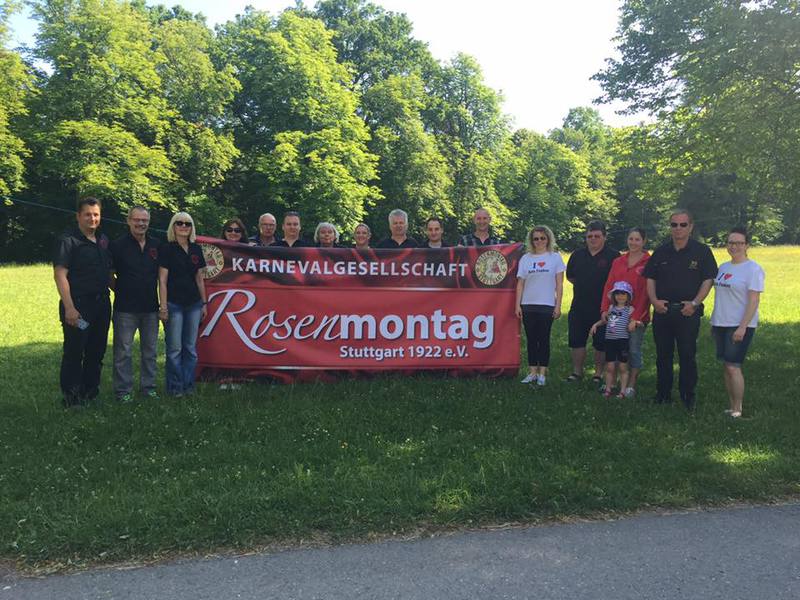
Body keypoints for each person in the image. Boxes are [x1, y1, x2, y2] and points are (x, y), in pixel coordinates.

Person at [644, 209, 717, 410]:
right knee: (663, 355)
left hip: (688, 312)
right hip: (663, 311)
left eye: (683, 224)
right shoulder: (661, 252)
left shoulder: (701, 251)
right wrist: (654, 301)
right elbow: (650, 278)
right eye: (674, 224)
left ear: (690, 227)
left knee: (687, 354)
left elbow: (708, 280)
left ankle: (687, 396)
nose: (678, 228)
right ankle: (663, 394)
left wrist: (694, 303)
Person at [53, 197, 113, 407]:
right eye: (87, 214)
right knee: (74, 351)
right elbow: (60, 275)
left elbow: (109, 274)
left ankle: (90, 393)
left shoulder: (103, 240)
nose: (92, 218)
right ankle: (72, 397)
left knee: (96, 351)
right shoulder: (68, 240)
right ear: (78, 216)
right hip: (79, 305)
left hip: (102, 304)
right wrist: (69, 308)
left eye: (96, 214)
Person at [710, 227, 764, 418]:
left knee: (733, 366)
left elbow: (754, 300)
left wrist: (742, 327)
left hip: (739, 325)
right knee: (726, 366)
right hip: (720, 323)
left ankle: (738, 409)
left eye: (739, 243)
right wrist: (714, 321)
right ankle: (731, 405)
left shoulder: (753, 269)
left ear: (747, 245)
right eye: (731, 242)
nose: (734, 246)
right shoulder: (723, 267)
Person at [109, 205, 160, 403]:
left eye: (144, 220)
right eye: (137, 220)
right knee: (123, 352)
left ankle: (149, 388)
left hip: (151, 308)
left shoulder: (156, 245)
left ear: (149, 222)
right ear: (128, 220)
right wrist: (122, 290)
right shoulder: (117, 245)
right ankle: (123, 391)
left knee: (150, 352)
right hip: (125, 308)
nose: (141, 223)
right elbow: (109, 275)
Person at [158, 212, 207, 397]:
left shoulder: (196, 249)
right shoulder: (166, 249)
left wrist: (204, 303)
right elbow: (162, 280)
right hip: (174, 304)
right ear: (173, 226)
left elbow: (199, 278)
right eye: (180, 223)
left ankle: (189, 386)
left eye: (188, 224)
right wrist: (163, 306)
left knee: (190, 348)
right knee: (175, 349)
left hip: (194, 304)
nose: (184, 226)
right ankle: (174, 388)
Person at [565, 221, 619, 383]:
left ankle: (598, 374)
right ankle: (577, 372)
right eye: (590, 236)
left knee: (601, 342)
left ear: (604, 237)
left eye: (597, 236)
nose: (593, 239)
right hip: (579, 305)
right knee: (576, 340)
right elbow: (570, 276)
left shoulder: (613, 256)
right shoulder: (577, 255)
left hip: (603, 307)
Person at [600, 227, 651, 398]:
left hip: (637, 315)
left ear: (644, 241)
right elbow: (609, 285)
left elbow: (647, 293)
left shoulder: (649, 262)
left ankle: (631, 384)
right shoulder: (618, 261)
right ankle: (612, 382)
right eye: (631, 239)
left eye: (637, 239)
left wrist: (636, 318)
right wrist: (605, 309)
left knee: (633, 349)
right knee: (615, 347)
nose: (633, 242)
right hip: (616, 313)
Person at [515, 226, 564, 386]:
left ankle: (542, 373)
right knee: (531, 340)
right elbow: (520, 284)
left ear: (548, 239)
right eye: (536, 238)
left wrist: (558, 305)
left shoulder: (555, 258)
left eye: (543, 238)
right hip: (528, 305)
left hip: (547, 305)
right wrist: (517, 305)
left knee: (543, 339)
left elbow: (559, 284)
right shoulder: (526, 259)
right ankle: (532, 372)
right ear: (531, 241)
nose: (539, 241)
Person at [591, 281, 639, 399]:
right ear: (613, 295)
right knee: (610, 366)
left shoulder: (630, 309)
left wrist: (635, 323)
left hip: (622, 341)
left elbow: (636, 321)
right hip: (610, 341)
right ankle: (608, 389)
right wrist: (596, 325)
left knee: (623, 367)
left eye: (623, 294)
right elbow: (605, 320)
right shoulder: (611, 308)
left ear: (628, 296)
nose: (620, 296)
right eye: (617, 293)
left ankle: (622, 391)